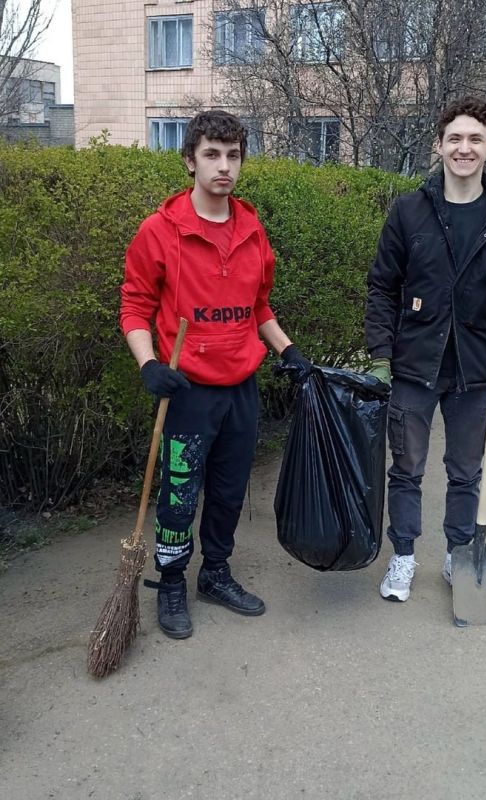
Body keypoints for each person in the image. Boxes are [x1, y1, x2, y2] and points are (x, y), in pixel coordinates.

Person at [120, 110, 311, 638]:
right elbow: (134, 307)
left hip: (240, 390)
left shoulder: (252, 230)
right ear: (190, 161)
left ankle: (216, 574)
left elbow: (259, 307)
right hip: (187, 393)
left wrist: (288, 350)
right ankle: (172, 581)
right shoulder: (160, 231)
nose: (224, 166)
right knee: (180, 494)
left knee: (229, 491)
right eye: (212, 154)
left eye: (233, 156)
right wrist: (149, 364)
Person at [365, 96, 486, 603]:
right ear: (438, 145)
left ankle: (458, 553)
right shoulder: (409, 211)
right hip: (414, 364)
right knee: (406, 469)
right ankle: (403, 556)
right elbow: (382, 287)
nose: (465, 148)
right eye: (455, 138)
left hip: (476, 369)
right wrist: (380, 355)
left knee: (466, 473)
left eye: (475, 139)